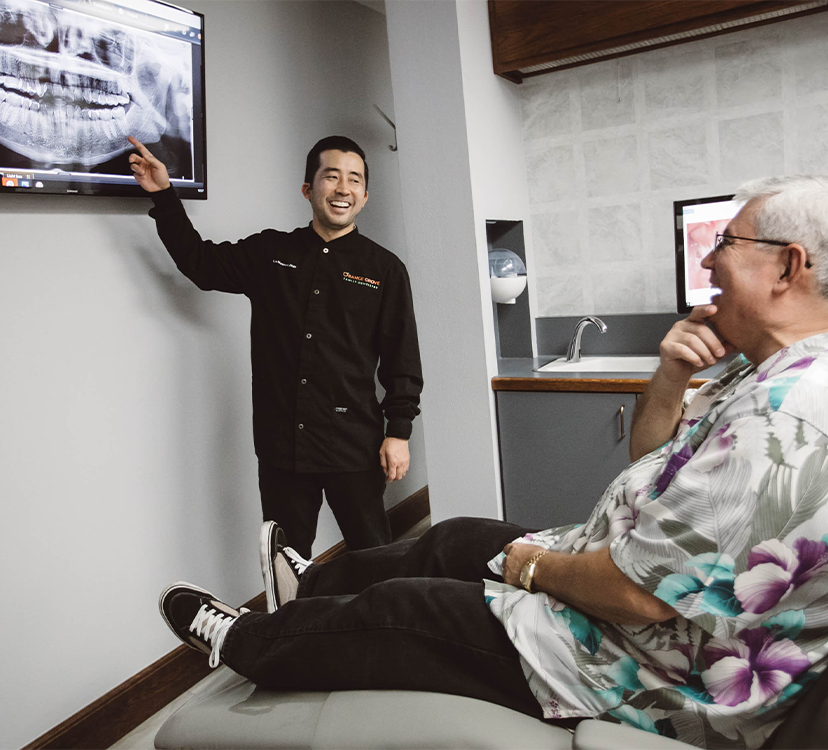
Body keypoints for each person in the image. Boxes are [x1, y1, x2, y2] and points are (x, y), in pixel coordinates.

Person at [158, 175, 828, 749]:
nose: (709, 262)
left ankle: (247, 641)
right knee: (458, 536)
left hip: (651, 662)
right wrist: (672, 372)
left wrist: (528, 567)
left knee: (414, 606)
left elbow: (636, 596)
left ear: (788, 266)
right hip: (643, 598)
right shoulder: (764, 371)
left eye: (728, 244)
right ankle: (309, 591)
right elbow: (652, 461)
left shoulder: (788, 414)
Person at [128, 135, 423, 559]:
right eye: (331, 176)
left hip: (354, 444)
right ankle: (291, 625)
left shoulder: (385, 270)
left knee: (372, 557)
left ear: (365, 195)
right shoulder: (270, 252)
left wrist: (399, 432)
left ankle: (374, 626)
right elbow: (200, 263)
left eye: (354, 180)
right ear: (308, 189)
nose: (343, 188)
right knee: (286, 561)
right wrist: (164, 196)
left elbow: (402, 358)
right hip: (282, 445)